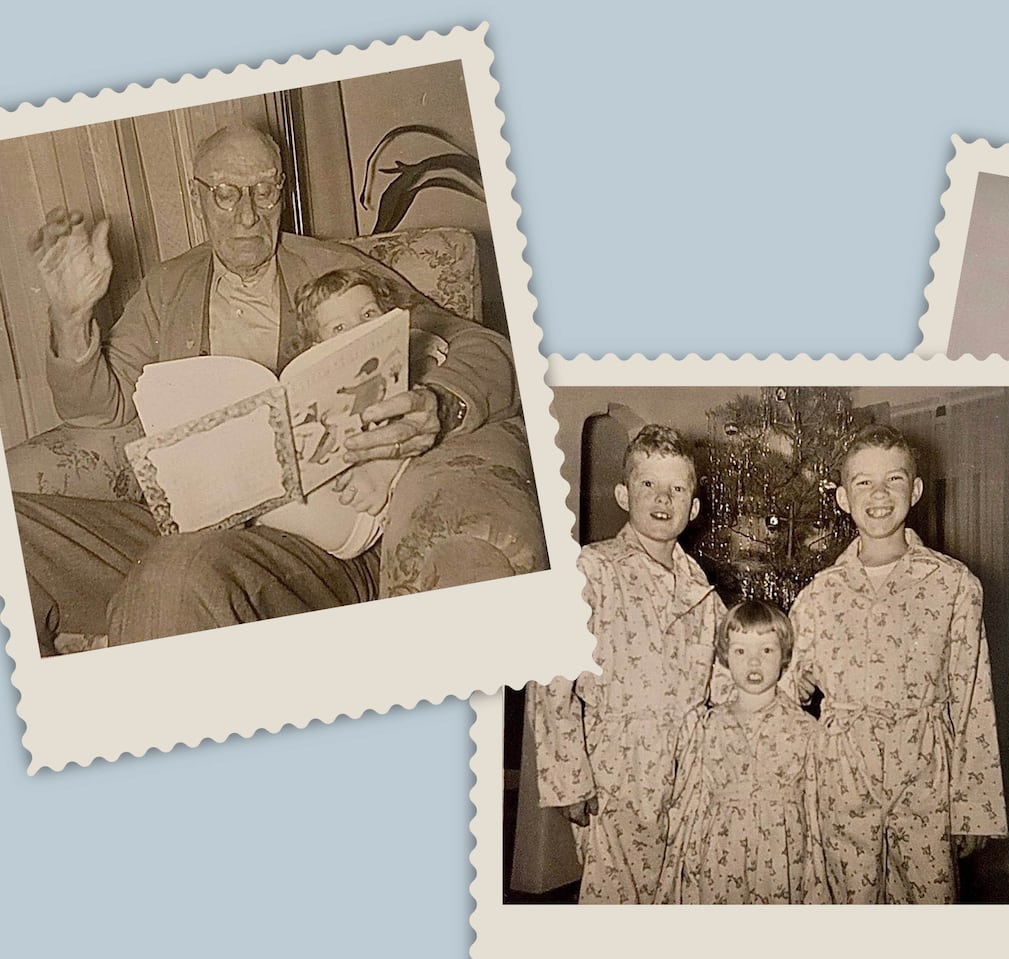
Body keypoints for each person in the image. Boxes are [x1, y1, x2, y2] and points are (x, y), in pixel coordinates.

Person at [11, 123, 528, 651]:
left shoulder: (336, 273)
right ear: (197, 197)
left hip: (309, 540)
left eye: (264, 191)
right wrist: (72, 319)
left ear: (282, 189)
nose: (247, 214)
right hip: (185, 522)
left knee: (176, 570)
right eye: (227, 194)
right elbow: (99, 410)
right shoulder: (169, 287)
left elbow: (485, 349)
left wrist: (440, 403)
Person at [786, 424, 1007, 904]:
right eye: (863, 482)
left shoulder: (953, 585)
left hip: (926, 777)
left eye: (894, 480)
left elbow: (973, 698)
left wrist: (975, 807)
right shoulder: (818, 595)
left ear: (916, 489)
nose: (879, 494)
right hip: (841, 779)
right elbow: (780, 691)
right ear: (844, 497)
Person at [525, 424, 724, 904]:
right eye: (648, 485)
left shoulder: (704, 592)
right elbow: (552, 680)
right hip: (617, 769)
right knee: (616, 900)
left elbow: (724, 685)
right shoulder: (592, 570)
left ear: (693, 507)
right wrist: (569, 776)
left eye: (677, 488)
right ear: (623, 493)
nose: (662, 498)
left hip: (691, 769)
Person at [657, 600, 825, 904]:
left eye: (766, 650)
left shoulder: (805, 730)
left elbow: (816, 810)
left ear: (784, 656)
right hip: (721, 858)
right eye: (741, 651)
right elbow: (692, 805)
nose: (754, 663)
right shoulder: (709, 727)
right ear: (724, 657)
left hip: (783, 859)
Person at [256, 268, 414, 560]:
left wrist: (384, 468)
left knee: (258, 489)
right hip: (328, 492)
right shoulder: (323, 387)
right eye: (339, 328)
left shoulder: (403, 365)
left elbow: (420, 426)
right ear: (319, 348)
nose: (359, 330)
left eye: (368, 315)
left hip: (363, 511)